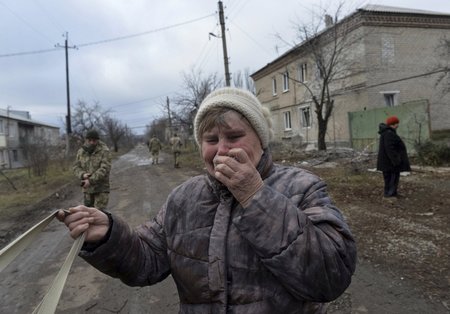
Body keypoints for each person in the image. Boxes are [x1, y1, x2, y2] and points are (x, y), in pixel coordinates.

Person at [59, 87, 356, 313]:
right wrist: (108, 236)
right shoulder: (184, 197)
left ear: (261, 140)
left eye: (234, 136)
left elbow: (331, 277)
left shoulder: (303, 187)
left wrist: (256, 197)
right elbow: (146, 262)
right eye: (211, 140)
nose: (222, 150)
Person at [72, 129, 112, 210]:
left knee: (100, 215)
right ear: (86, 140)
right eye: (89, 140)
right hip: (87, 190)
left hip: (101, 189)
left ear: (97, 140)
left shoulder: (104, 151)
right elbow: (76, 167)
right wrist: (82, 174)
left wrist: (90, 180)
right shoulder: (81, 152)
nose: (91, 142)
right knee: (88, 215)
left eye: (94, 140)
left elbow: (104, 169)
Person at [377, 115, 411, 198]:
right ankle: (390, 195)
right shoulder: (389, 133)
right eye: (396, 123)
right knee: (392, 179)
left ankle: (391, 193)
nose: (398, 125)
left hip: (388, 163)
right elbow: (390, 149)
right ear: (393, 124)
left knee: (390, 179)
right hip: (391, 163)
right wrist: (396, 161)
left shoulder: (386, 133)